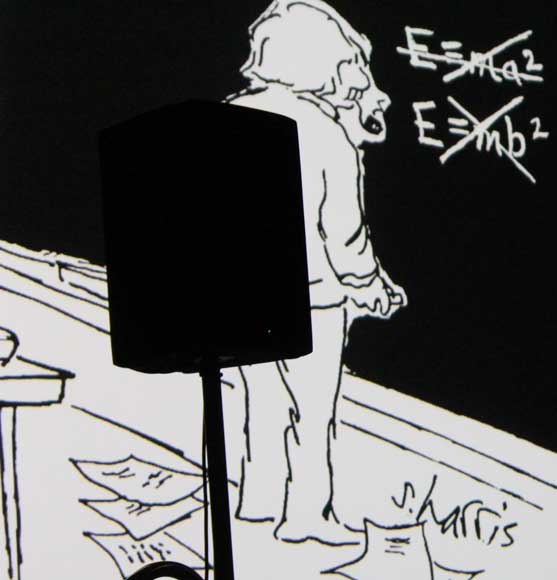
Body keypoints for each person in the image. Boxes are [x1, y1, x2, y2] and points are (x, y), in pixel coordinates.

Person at [225, 0, 406, 544]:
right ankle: (305, 516)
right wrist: (371, 285)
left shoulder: (229, 116)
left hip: (243, 296)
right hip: (314, 299)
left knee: (261, 402)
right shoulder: (326, 132)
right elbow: (344, 232)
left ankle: (255, 503)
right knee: (312, 411)